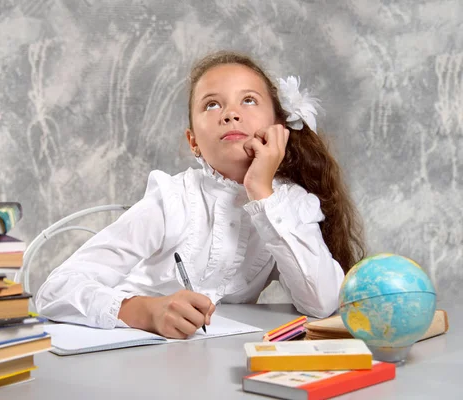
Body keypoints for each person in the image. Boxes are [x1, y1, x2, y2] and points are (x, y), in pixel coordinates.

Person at [36, 50, 365, 339]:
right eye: (212, 104)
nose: (230, 114)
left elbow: (322, 303)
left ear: (280, 126)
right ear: (193, 141)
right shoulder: (172, 199)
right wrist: (144, 312)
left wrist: (262, 192)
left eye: (248, 100)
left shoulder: (288, 204)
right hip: (133, 356)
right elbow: (55, 289)